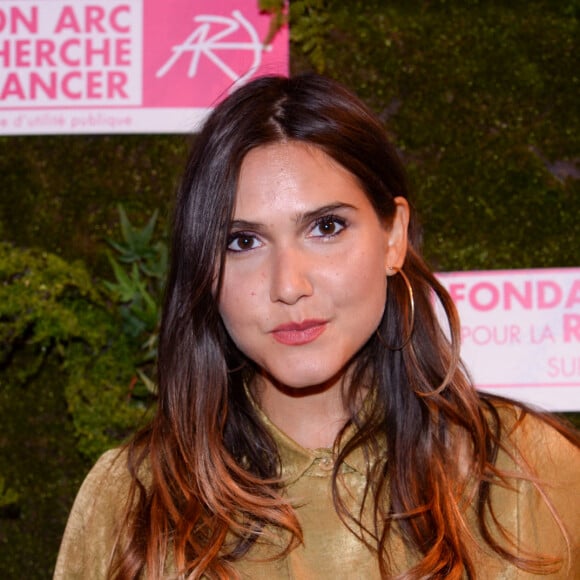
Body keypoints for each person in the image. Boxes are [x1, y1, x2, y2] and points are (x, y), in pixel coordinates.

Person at [54, 74, 580, 579]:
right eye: (242, 241)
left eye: (326, 227)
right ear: (204, 268)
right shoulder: (130, 499)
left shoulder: (533, 472)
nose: (289, 284)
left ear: (393, 236)